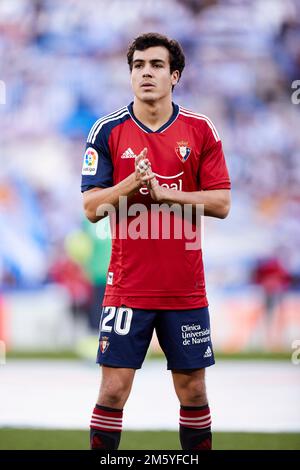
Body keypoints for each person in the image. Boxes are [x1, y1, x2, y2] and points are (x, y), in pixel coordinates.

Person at [81, 32, 231, 451]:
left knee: (194, 392)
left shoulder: (201, 130)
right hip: (127, 288)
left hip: (185, 290)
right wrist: (130, 184)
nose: (146, 72)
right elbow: (92, 207)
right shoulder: (106, 130)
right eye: (138, 65)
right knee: (112, 391)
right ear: (130, 74)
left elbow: (221, 203)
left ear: (175, 75)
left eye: (156, 65)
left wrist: (168, 194)